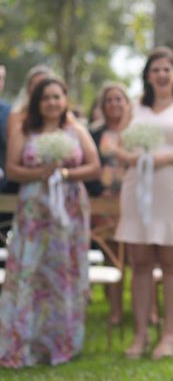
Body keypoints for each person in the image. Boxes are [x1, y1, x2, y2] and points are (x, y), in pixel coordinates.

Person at [0, 77, 100, 367]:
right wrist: (41, 173)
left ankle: (60, 343)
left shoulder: (75, 129)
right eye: (46, 98)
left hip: (69, 212)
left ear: (65, 99)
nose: (52, 102)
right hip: (34, 211)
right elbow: (13, 169)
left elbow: (94, 166)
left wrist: (65, 174)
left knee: (62, 273)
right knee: (32, 272)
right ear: (37, 102)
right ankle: (24, 341)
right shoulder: (24, 129)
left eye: (57, 97)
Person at [115, 46, 173, 360]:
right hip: (137, 186)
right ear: (148, 75)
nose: (162, 74)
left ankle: (168, 335)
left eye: (167, 68)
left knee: (170, 262)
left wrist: (166, 157)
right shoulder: (134, 106)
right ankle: (140, 334)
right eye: (156, 69)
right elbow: (118, 144)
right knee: (139, 262)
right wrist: (131, 157)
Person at [84, 82, 131, 325]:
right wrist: (99, 190)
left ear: (127, 102)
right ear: (103, 105)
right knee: (111, 254)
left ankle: (149, 310)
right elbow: (88, 165)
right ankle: (115, 311)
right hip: (103, 202)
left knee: (137, 255)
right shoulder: (93, 132)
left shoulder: (135, 130)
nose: (114, 104)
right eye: (109, 100)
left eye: (118, 99)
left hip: (132, 201)